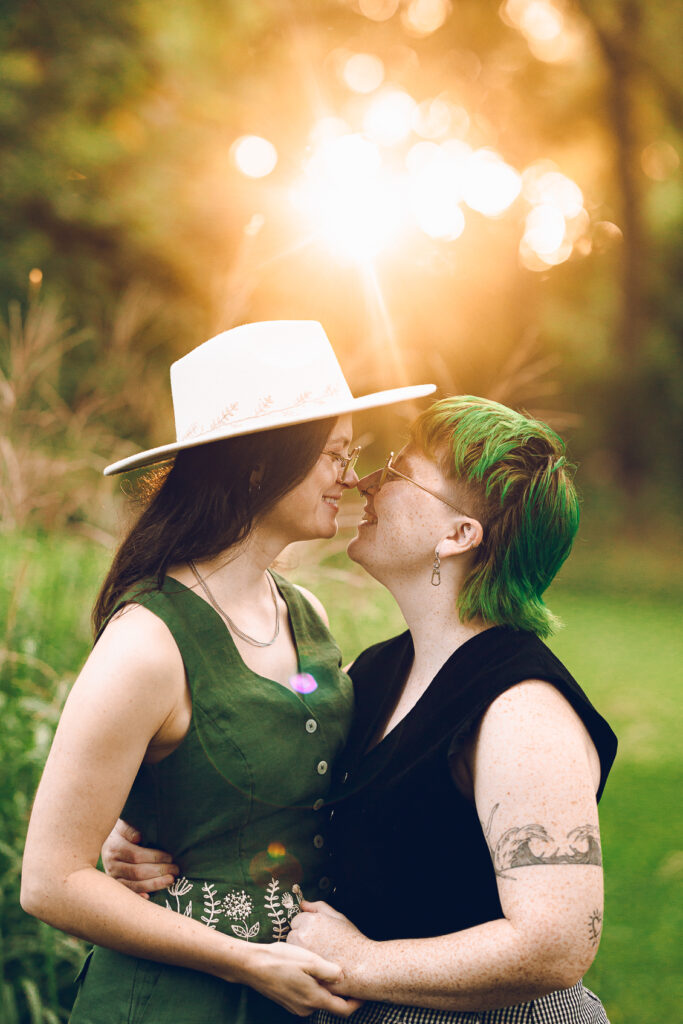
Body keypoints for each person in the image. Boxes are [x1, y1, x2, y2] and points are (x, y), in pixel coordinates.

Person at [108, 396, 617, 1023]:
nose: (366, 481)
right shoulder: (376, 671)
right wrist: (142, 830)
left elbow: (558, 945)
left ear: (458, 535)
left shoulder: (524, 712)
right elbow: (272, 776)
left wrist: (358, 963)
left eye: (400, 472)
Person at [20, 319, 435, 1024]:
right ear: (256, 467)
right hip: (170, 1004)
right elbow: (51, 882)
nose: (354, 476)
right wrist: (248, 959)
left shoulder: (304, 614)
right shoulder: (147, 643)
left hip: (297, 999)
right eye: (335, 454)